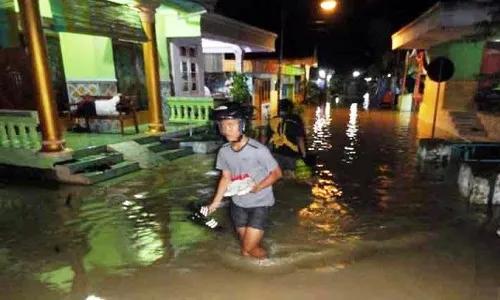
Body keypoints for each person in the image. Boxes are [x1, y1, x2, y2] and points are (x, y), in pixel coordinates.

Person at [207, 102, 282, 259]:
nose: (227, 129)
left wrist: (257, 187)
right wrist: (214, 203)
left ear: (241, 125)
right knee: (246, 248)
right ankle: (256, 271)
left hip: (260, 204)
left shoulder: (259, 150)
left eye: (231, 124)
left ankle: (270, 267)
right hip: (238, 205)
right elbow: (226, 178)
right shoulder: (224, 151)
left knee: (248, 247)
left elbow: (276, 173)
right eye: (223, 125)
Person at [267, 99, 307, 176]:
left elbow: (266, 138)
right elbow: (300, 139)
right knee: (293, 178)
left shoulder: (273, 120)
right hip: (292, 155)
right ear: (290, 108)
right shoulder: (296, 119)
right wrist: (304, 154)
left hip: (276, 154)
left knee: (277, 177)